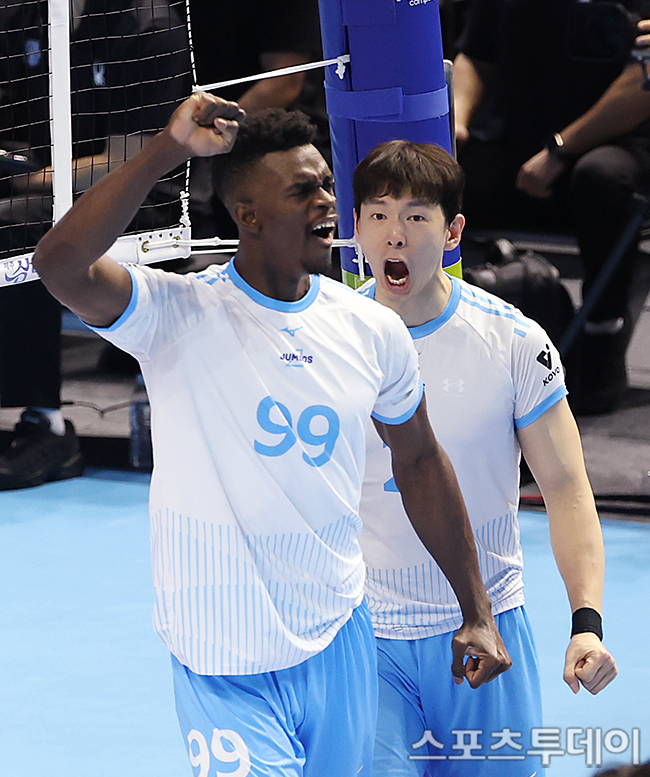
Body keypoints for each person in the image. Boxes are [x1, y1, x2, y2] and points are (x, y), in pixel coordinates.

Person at [31, 93, 510, 776]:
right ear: (248, 215)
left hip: (339, 641)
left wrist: (477, 609)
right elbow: (60, 265)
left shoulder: (372, 328)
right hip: (223, 661)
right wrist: (168, 148)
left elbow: (421, 461)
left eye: (326, 184)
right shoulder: (176, 314)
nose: (327, 201)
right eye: (302, 190)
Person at [353, 139, 618, 775]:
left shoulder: (513, 341)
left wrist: (586, 622)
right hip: (365, 638)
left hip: (486, 630)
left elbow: (566, 488)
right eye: (379, 215)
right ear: (356, 227)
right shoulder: (327, 341)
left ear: (453, 232)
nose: (395, 234)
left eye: (416, 216)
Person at [0, 0, 190, 489]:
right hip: (44, 187)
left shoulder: (150, 28)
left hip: (137, 204)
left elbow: (136, 159)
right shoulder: (25, 18)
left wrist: (26, 182)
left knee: (11, 229)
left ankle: (44, 424)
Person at [453, 0, 650, 415]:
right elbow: (476, 56)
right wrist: (457, 124)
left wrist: (560, 150)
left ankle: (602, 334)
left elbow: (643, 80)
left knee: (601, 178)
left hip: (615, 146)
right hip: (518, 145)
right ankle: (443, 325)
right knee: (439, 176)